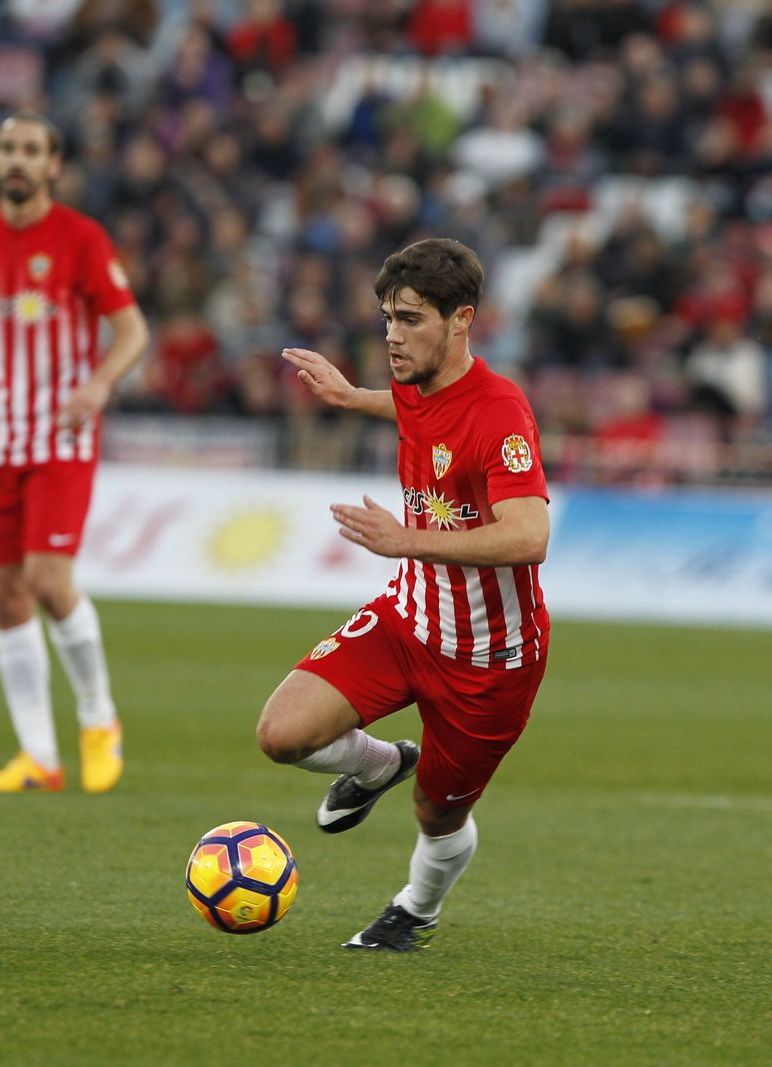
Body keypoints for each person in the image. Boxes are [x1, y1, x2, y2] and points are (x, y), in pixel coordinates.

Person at [257, 238, 550, 951]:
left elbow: (529, 535)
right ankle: (382, 761)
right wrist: (346, 396)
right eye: (388, 316)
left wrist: (406, 540)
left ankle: (415, 908)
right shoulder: (422, 385)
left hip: (490, 657)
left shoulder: (502, 412)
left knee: (437, 816)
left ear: (461, 321)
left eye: (411, 318)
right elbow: (418, 414)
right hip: (410, 616)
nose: (392, 334)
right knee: (281, 734)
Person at [0, 113, 149, 794]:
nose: (16, 159)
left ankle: (99, 717)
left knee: (47, 580)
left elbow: (132, 330)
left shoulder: (80, 238)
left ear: (53, 165)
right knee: (5, 593)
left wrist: (99, 382)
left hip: (60, 437)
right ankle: (38, 753)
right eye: (7, 148)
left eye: (31, 150)